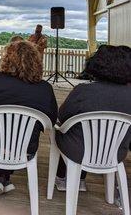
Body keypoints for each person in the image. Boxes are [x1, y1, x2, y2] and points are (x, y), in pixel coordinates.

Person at [0, 40, 58, 195]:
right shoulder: (44, 88)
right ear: (36, 61)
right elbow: (51, 121)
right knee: (12, 143)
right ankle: (3, 177)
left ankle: (1, 177)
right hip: (24, 149)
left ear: (7, 58)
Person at [55, 45, 131, 192]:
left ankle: (63, 178)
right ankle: (82, 180)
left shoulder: (83, 91)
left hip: (79, 151)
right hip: (116, 152)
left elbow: (62, 117)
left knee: (68, 131)